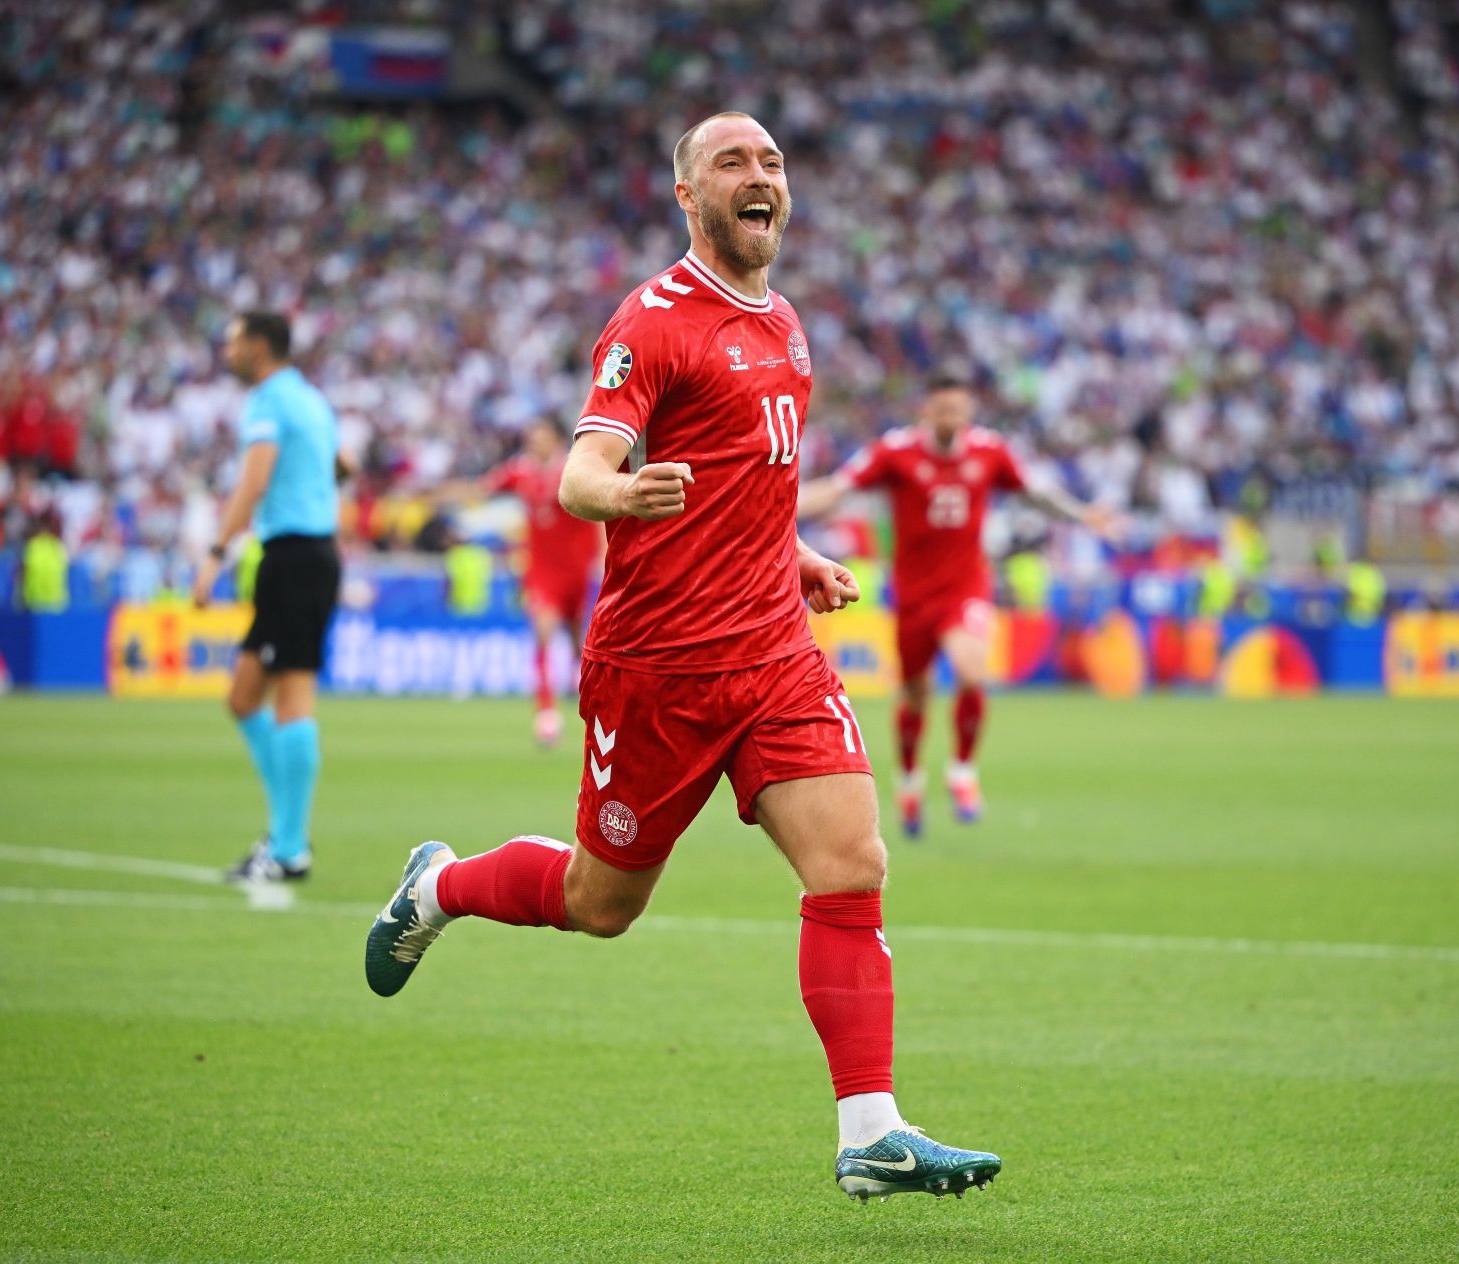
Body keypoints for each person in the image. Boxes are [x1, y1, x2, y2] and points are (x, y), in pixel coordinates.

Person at [364, 112, 1000, 1203]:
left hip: (774, 653)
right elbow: (583, 473)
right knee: (601, 901)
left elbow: (751, 476)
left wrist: (790, 552)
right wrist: (628, 491)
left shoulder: (789, 325)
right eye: (732, 164)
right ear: (689, 198)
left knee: (852, 865)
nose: (760, 177)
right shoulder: (651, 321)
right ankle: (442, 886)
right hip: (657, 668)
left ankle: (871, 1129)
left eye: (773, 162)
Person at [799, 372, 1117, 837]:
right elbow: (838, 488)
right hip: (912, 594)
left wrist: (1083, 513)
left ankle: (962, 771)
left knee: (972, 671)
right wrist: (784, 507)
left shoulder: (989, 451)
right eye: (944, 410)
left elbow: (1035, 492)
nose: (952, 419)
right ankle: (910, 780)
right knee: (915, 694)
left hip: (966, 586)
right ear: (926, 410)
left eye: (960, 411)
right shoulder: (895, 451)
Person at [193, 312, 342, 884]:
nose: (226, 349)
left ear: (258, 347)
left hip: (295, 557)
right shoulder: (310, 399)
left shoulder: (267, 401)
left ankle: (288, 849)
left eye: (232, 339)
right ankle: (284, 837)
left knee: (291, 696)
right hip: (303, 555)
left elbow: (253, 482)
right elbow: (341, 464)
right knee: (242, 697)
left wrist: (214, 553)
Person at [448, 419, 604, 746]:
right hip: (541, 573)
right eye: (531, 438)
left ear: (558, 440)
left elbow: (600, 515)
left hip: (576, 572)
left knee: (580, 642)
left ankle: (587, 700)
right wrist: (444, 495)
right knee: (543, 633)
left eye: (541, 437)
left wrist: (603, 557)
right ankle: (546, 713)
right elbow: (482, 489)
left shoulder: (575, 470)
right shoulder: (521, 472)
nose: (534, 443)